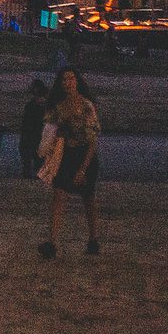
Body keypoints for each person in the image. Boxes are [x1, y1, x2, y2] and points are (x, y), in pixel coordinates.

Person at [38, 66, 103, 259]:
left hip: (85, 155)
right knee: (58, 195)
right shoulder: (58, 107)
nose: (68, 83)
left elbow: (92, 141)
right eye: (64, 80)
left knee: (88, 198)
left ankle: (93, 239)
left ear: (77, 82)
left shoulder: (86, 106)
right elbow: (50, 129)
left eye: (71, 79)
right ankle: (52, 242)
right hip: (67, 154)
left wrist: (82, 169)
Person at [18, 79, 48, 179]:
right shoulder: (40, 103)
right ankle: (37, 173)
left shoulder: (36, 104)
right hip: (36, 132)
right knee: (36, 154)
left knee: (30, 153)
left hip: (34, 132)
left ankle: (32, 173)